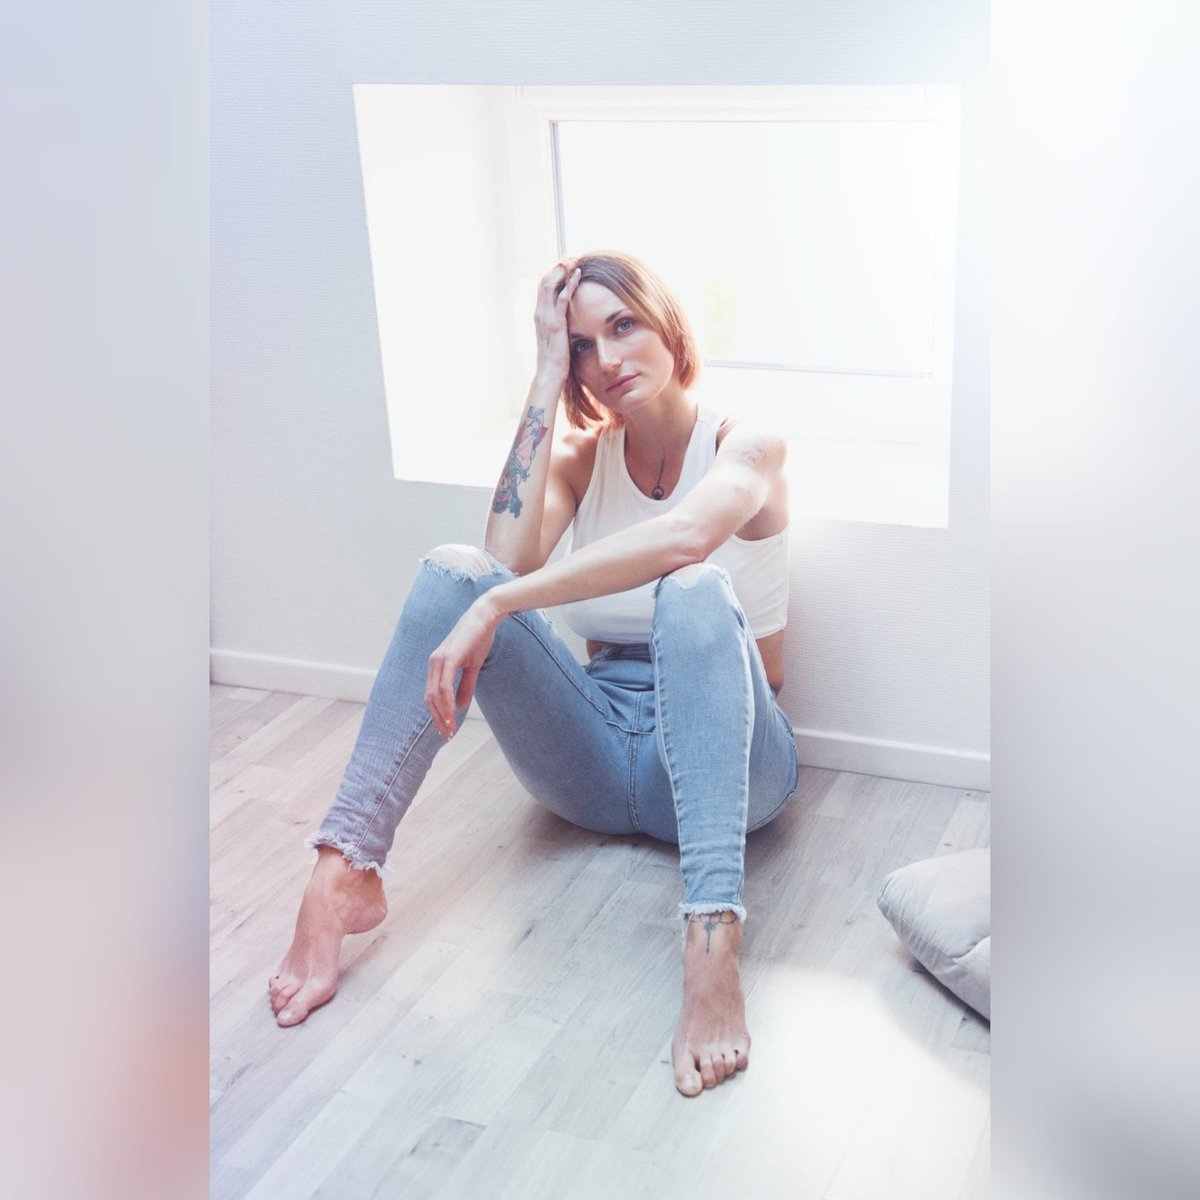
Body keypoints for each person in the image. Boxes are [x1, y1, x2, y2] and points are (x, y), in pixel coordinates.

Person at [268, 251, 799, 1097]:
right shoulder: (587, 457)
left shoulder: (751, 443)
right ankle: (342, 874)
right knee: (453, 570)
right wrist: (547, 374)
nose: (607, 358)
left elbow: (686, 539)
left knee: (693, 588)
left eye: (622, 326)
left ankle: (711, 947)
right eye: (583, 345)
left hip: (729, 768)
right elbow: (497, 562)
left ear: (669, 326)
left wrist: (500, 605)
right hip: (595, 764)